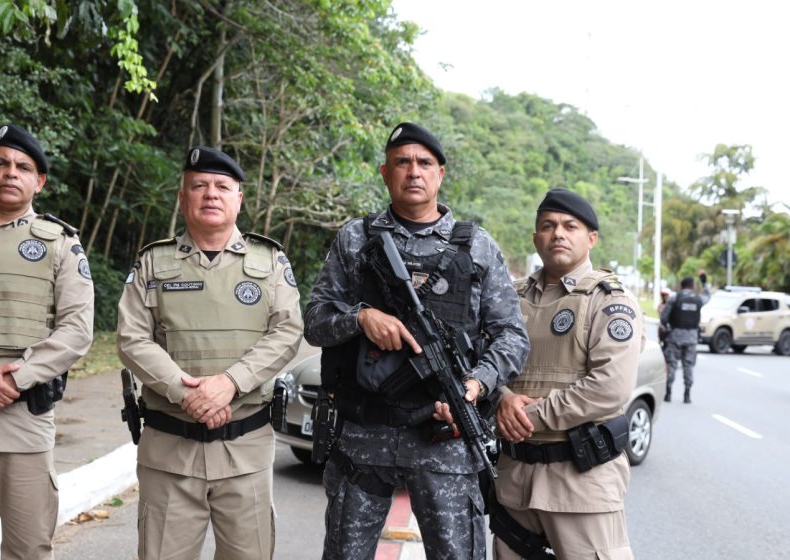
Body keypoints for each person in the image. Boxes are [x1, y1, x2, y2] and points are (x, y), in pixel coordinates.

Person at [304, 122, 529, 560]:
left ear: (440, 174)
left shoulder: (476, 247)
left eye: (424, 163)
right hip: (362, 439)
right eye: (402, 162)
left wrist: (475, 385)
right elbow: (315, 320)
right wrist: (360, 318)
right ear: (384, 172)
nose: (414, 172)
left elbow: (511, 336)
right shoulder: (356, 238)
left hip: (443, 440)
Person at [116, 146, 303, 560]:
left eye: (222, 186)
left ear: (240, 198)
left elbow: (287, 331)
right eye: (198, 186)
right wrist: (188, 394)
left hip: (246, 450)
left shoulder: (269, 260)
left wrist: (228, 384)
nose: (211, 194)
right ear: (182, 198)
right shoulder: (152, 262)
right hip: (169, 449)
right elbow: (132, 338)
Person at [0, 124, 95, 559]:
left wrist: (15, 378)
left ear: (39, 181)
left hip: (23, 418)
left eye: (23, 167)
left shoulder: (62, 243)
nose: (11, 172)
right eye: (1, 163)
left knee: (29, 548)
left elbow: (78, 329)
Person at [492, 188, 645, 560]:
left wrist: (526, 416)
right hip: (515, 481)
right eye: (548, 226)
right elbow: (484, 363)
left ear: (591, 238)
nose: (558, 233)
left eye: (569, 226)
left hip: (581, 484)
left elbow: (609, 388)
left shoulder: (610, 301)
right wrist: (502, 398)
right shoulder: (510, 300)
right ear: (535, 238)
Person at [660, 274, 709, 403]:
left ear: (681, 286)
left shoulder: (675, 298)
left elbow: (664, 317)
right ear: (692, 286)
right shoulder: (698, 299)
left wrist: (667, 328)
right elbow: (708, 297)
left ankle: (668, 392)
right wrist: (705, 283)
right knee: (688, 366)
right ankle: (687, 394)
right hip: (692, 338)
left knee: (672, 364)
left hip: (675, 336)